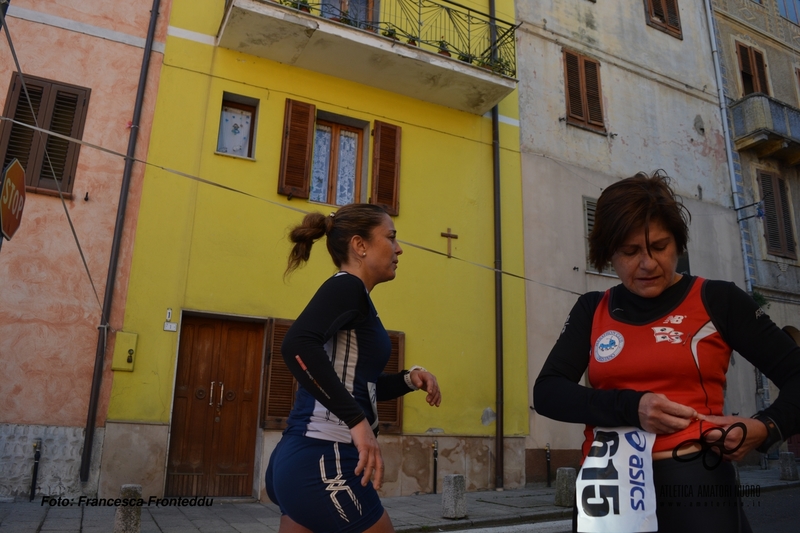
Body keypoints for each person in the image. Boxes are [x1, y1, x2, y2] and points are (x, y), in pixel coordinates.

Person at [533, 171, 800, 533]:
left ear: (678, 243)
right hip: (608, 489)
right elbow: (547, 391)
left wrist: (767, 428)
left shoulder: (718, 299)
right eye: (630, 252)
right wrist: (633, 406)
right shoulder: (591, 308)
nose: (648, 264)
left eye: (659, 247)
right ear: (608, 253)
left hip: (694, 483)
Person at [266, 203, 442, 533]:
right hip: (324, 454)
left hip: (302, 457)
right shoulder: (347, 286)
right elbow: (297, 345)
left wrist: (408, 380)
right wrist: (357, 422)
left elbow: (359, 384)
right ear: (360, 246)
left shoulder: (356, 296)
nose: (398, 248)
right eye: (391, 237)